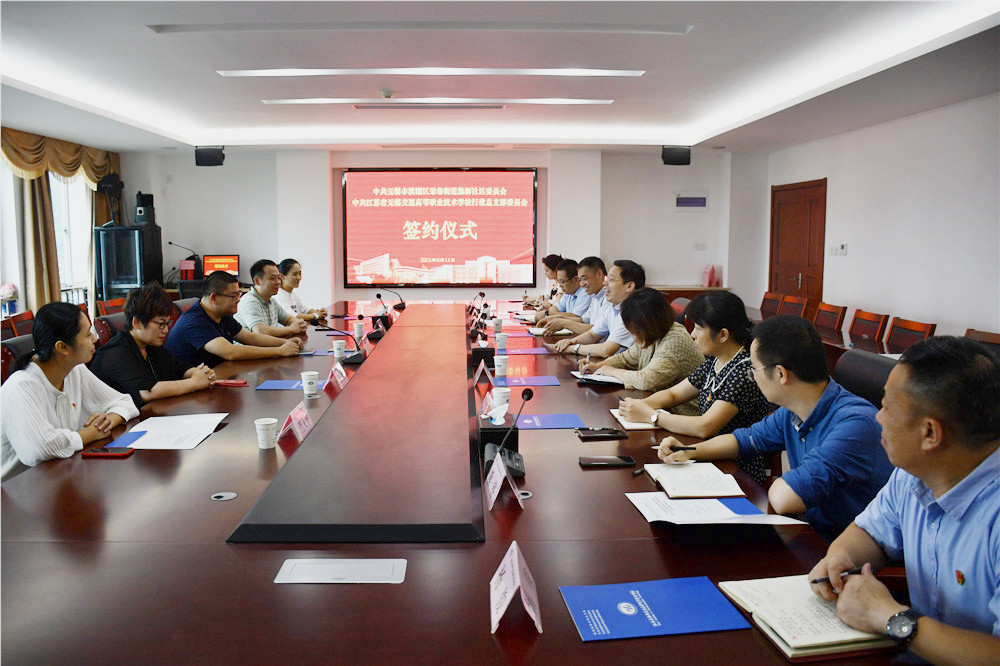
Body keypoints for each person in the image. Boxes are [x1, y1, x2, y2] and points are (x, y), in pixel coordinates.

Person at [808, 337, 999, 663]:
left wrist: (890, 617)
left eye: (886, 407)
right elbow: (870, 533)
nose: (878, 418)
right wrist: (841, 556)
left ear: (929, 433)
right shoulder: (914, 474)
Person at [660, 315, 892, 541]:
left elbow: (784, 499)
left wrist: (780, 483)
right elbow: (744, 439)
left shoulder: (854, 424)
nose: (752, 377)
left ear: (780, 374)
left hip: (844, 549)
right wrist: (689, 452)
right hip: (812, 533)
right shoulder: (793, 409)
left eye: (754, 370)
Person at [618, 291, 775, 483]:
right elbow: (674, 394)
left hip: (735, 468)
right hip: (705, 453)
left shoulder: (743, 370)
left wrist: (652, 416)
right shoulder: (715, 361)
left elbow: (705, 427)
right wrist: (638, 406)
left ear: (723, 335)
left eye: (699, 328)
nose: (692, 334)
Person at [1, 302, 139, 481]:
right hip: (15, 489)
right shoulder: (22, 386)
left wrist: (106, 421)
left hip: (57, 476)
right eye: (87, 334)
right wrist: (90, 434)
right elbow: (39, 450)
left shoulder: (74, 370)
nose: (95, 338)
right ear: (62, 347)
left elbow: (125, 403)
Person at [91, 283, 215, 407]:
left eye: (167, 323)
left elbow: (179, 368)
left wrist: (199, 373)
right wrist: (195, 382)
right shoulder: (115, 352)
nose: (166, 330)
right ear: (137, 322)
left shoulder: (150, 344)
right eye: (161, 324)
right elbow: (147, 392)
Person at [579, 287, 704, 394]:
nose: (633, 334)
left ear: (648, 324)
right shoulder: (653, 333)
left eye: (635, 330)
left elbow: (647, 380)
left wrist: (611, 371)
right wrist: (598, 366)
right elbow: (626, 358)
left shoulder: (674, 341)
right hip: (658, 401)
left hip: (680, 410)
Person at [165, 270, 302, 367]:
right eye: (234, 296)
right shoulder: (194, 321)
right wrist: (280, 351)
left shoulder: (222, 314)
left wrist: (285, 342)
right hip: (188, 388)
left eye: (239, 294)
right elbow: (230, 352)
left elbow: (251, 338)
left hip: (216, 374)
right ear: (214, 298)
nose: (238, 299)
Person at [546, 259, 642, 359]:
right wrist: (571, 342)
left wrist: (572, 348)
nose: (605, 283)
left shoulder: (633, 312)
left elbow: (606, 350)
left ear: (629, 286)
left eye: (611, 280)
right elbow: (593, 334)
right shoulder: (614, 307)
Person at [235, 259, 308, 338]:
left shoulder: (272, 301)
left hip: (270, 343)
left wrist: (299, 324)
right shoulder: (250, 301)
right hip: (250, 346)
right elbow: (260, 331)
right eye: (272, 278)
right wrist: (291, 329)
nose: (278, 282)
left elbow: (288, 319)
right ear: (257, 281)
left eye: (279, 278)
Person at [539, 256, 608, 335]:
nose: (582, 284)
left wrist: (563, 323)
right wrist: (554, 319)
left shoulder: (608, 298)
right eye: (580, 280)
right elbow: (583, 320)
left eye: (585, 279)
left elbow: (597, 330)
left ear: (599, 274)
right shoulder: (595, 297)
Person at [534, 259, 593, 324]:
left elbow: (576, 317)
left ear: (575, 279)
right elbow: (555, 308)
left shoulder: (586, 293)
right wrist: (548, 313)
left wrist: (547, 314)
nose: (560, 285)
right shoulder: (568, 293)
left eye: (562, 282)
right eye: (558, 281)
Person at [274, 258, 328, 324]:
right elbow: (292, 316)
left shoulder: (292, 294)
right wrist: (315, 315)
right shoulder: (278, 296)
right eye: (295, 274)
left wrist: (319, 312)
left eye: (300, 273)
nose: (299, 277)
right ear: (282, 276)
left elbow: (305, 309)